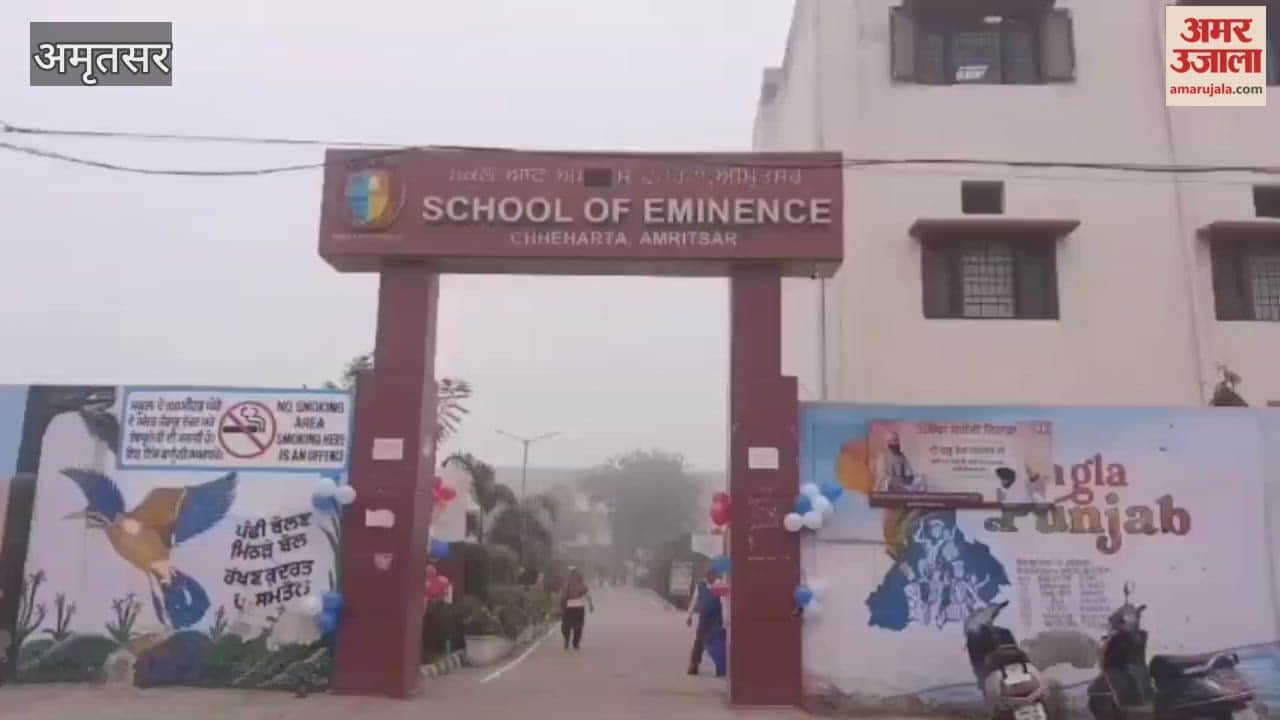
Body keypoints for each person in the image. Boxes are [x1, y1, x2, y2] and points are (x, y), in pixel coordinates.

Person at [686, 569, 725, 676]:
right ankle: (694, 665)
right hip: (704, 617)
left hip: (717, 618)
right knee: (699, 641)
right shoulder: (701, 586)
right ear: (707, 576)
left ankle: (720, 666)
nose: (712, 578)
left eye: (714, 576)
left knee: (718, 642)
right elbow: (695, 600)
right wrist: (689, 615)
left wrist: (726, 620)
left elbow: (724, 602)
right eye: (710, 576)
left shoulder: (719, 586)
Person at [560, 566, 594, 650]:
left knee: (566, 625)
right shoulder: (580, 583)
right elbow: (587, 595)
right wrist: (590, 604)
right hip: (578, 607)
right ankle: (575, 643)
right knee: (578, 626)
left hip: (569, 607)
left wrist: (561, 605)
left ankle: (567, 639)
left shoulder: (567, 582)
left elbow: (563, 596)